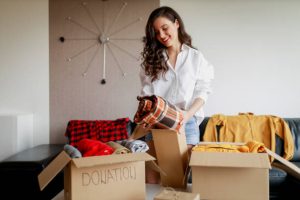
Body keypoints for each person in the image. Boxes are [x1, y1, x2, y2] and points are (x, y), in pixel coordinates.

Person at [139, 6, 214, 183]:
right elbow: (147, 95)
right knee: (151, 179)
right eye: (157, 32)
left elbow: (203, 91)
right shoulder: (151, 60)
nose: (162, 35)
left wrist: (187, 115)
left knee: (178, 181)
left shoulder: (196, 58)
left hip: (186, 123)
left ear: (176, 24)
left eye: (165, 28)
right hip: (157, 124)